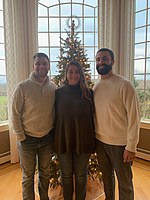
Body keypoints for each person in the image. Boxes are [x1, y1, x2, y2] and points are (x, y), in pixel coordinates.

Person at [93, 48, 140, 200]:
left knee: (125, 183)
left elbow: (134, 117)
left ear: (112, 61)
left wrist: (131, 146)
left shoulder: (124, 85)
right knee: (107, 179)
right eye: (98, 59)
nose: (101, 62)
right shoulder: (96, 87)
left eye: (105, 59)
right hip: (100, 142)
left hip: (120, 145)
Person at [12, 53, 56, 200]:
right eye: (38, 63)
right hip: (27, 140)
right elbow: (15, 113)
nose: (41, 66)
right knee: (28, 176)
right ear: (33, 66)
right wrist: (21, 137)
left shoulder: (53, 88)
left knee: (45, 173)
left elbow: (55, 113)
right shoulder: (23, 87)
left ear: (49, 66)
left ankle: (44, 198)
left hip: (46, 139)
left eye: (44, 63)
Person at [54, 60, 95, 200]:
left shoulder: (89, 93)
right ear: (66, 74)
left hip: (83, 141)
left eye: (76, 72)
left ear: (81, 74)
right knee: (65, 175)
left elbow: (93, 117)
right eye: (70, 72)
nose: (73, 75)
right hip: (63, 140)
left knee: (81, 175)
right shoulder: (58, 93)